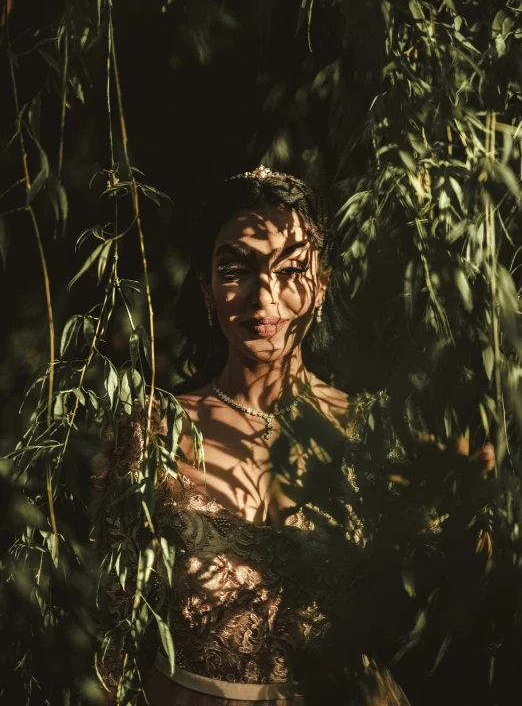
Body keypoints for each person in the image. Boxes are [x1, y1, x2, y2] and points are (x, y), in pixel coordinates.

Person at [94, 166, 494, 706]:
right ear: (206, 288)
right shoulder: (153, 431)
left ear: (322, 285)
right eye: (235, 269)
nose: (266, 297)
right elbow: (117, 630)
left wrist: (477, 509)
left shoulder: (371, 432)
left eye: (291, 270)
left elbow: (456, 598)